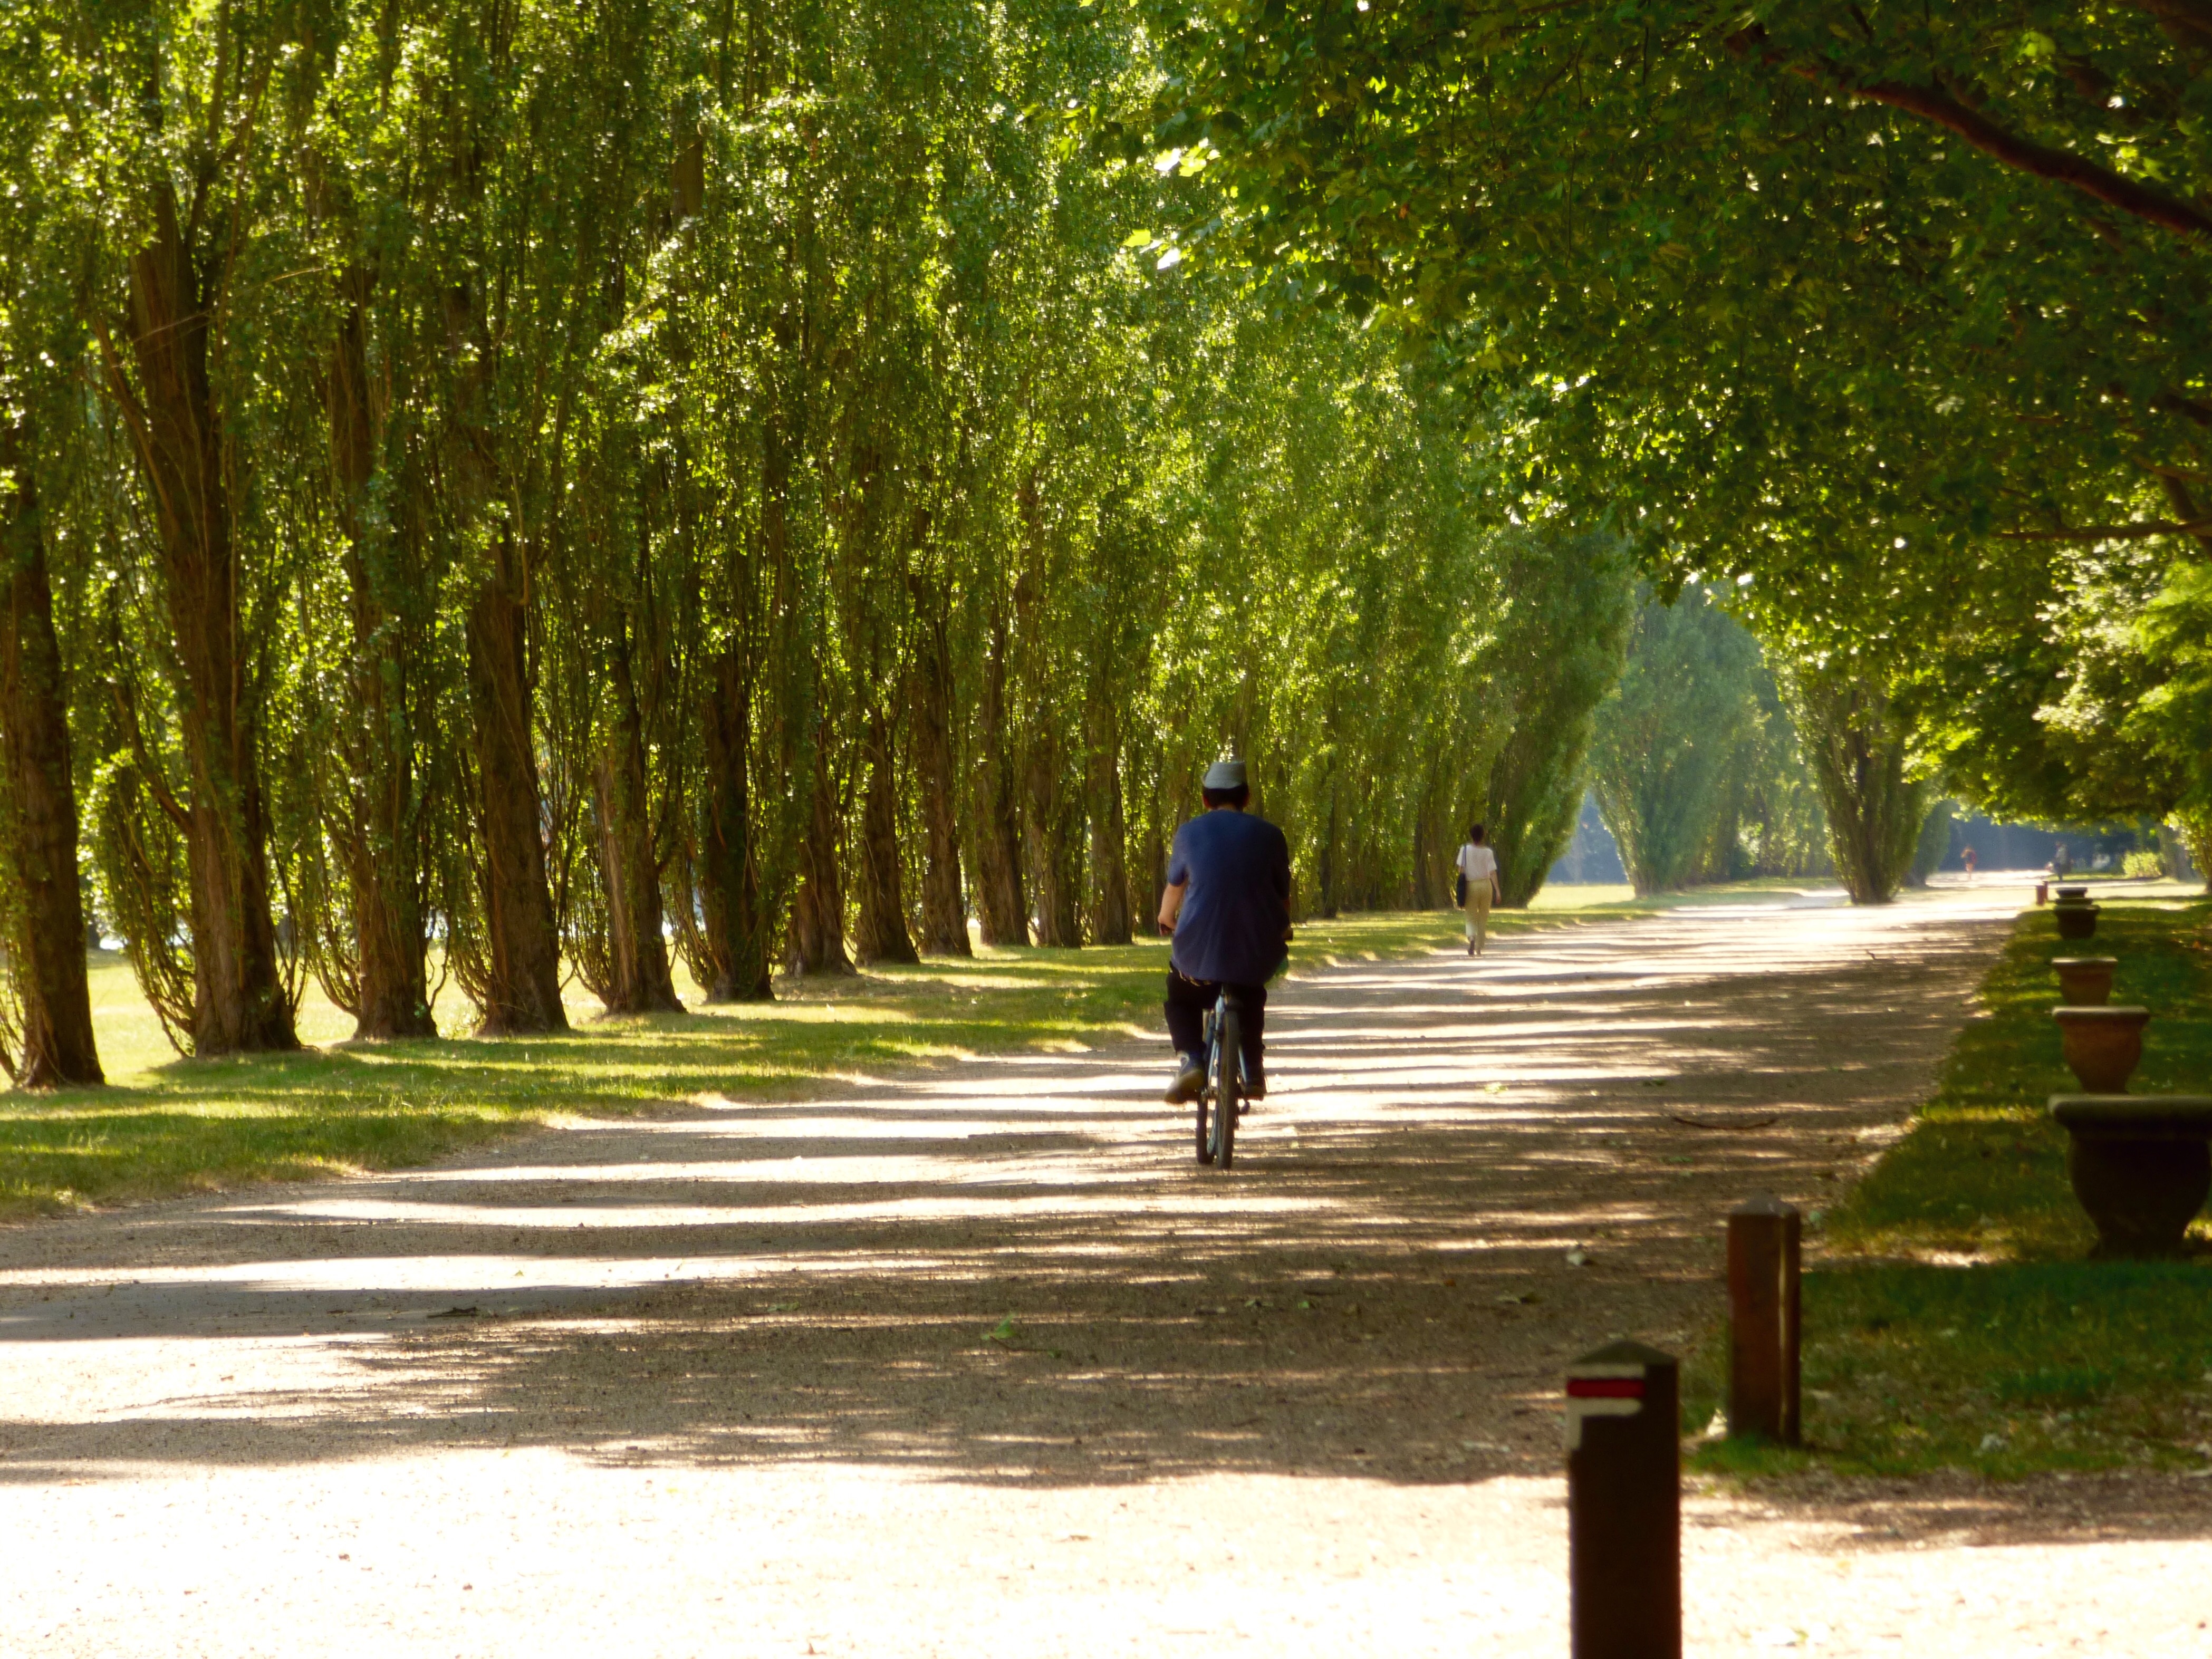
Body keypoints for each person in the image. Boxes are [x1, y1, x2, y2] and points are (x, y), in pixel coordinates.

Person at [1158, 758, 1292, 1105]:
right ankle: (1253, 1070)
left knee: (1179, 994)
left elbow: (1174, 890)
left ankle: (1192, 1059)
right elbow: (1282, 896)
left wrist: (1166, 919)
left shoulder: (1189, 833)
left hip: (1198, 955)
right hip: (1254, 951)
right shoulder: (1271, 835)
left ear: (1206, 799)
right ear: (1246, 797)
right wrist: (1281, 929)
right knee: (1251, 994)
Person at [1454, 823, 1502, 956]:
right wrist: (1498, 891)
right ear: (1483, 836)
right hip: (1486, 885)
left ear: (1471, 835)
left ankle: (1472, 937)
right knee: (1483, 916)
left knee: (1470, 916)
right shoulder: (1488, 852)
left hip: (1471, 885)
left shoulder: (1464, 850)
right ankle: (1479, 947)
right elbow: (1492, 872)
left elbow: (1461, 870)